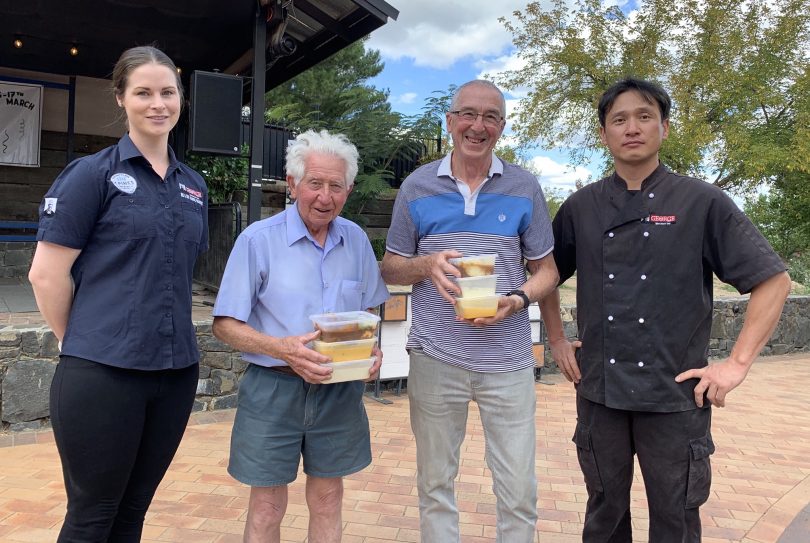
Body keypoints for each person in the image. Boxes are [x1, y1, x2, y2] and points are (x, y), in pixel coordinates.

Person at [539, 77, 792, 542]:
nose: (631, 127)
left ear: (664, 128)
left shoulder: (702, 202)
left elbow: (774, 280)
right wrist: (555, 338)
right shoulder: (581, 207)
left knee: (675, 517)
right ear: (603, 134)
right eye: (619, 119)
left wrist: (736, 365)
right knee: (604, 514)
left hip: (676, 394)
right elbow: (546, 272)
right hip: (600, 391)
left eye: (644, 116)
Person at [28, 45, 208, 541]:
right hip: (103, 372)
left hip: (174, 374)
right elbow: (45, 275)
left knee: (132, 513)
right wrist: (80, 340)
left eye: (168, 92)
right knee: (92, 517)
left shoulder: (193, 185)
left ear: (181, 99)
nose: (158, 104)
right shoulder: (92, 175)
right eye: (143, 92)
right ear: (121, 99)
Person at [381, 79, 559, 542]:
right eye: (468, 114)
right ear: (450, 120)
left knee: (518, 489)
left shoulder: (524, 186)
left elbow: (547, 271)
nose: (477, 126)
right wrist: (423, 265)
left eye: (490, 117)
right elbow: (391, 267)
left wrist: (516, 299)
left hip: (509, 362)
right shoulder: (416, 187)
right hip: (436, 357)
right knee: (436, 483)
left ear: (501, 126)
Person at [211, 129, 389, 543]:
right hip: (274, 389)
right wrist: (281, 349)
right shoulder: (257, 240)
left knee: (328, 500)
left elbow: (366, 310)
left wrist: (369, 352)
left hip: (339, 391)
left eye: (336, 186)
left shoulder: (357, 241)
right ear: (292, 185)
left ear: (348, 190)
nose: (325, 196)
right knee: (268, 507)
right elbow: (224, 324)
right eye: (315, 183)